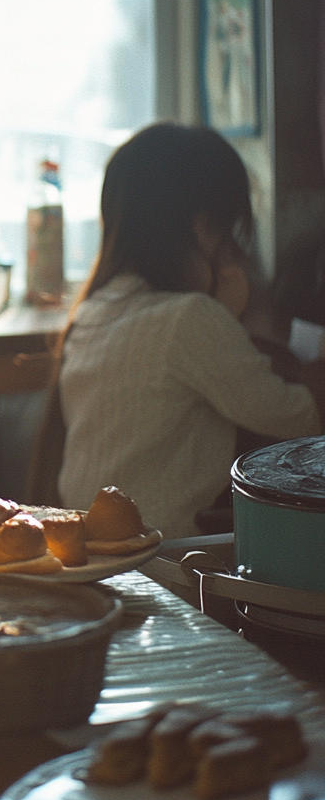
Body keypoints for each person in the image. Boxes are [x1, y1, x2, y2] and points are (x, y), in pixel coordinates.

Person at [31, 123, 321, 540]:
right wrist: (231, 319)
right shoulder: (192, 319)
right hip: (166, 564)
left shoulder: (94, 311)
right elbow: (296, 419)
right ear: (204, 228)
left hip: (97, 559)